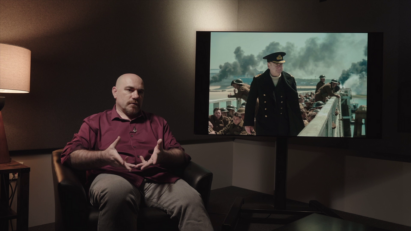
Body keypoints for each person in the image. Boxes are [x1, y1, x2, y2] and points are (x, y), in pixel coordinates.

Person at [61, 73, 213, 231]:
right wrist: (103, 156)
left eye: (140, 92)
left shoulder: (158, 122)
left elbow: (181, 155)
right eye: (129, 90)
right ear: (115, 92)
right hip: (113, 177)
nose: (136, 96)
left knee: (192, 198)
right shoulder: (95, 122)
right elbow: (70, 155)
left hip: (156, 178)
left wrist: (164, 156)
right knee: (118, 193)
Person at [244, 52, 305, 136]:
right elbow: (251, 102)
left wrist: (298, 125)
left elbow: (294, 104)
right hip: (264, 124)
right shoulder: (259, 80)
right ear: (269, 65)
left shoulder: (289, 79)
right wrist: (248, 123)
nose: (279, 67)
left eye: (281, 64)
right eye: (276, 64)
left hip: (284, 124)